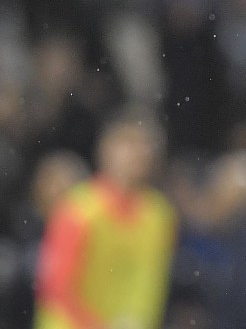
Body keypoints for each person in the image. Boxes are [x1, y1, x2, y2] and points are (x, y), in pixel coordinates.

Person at [33, 113, 177, 329]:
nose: (138, 153)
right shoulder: (78, 209)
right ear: (106, 149)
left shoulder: (161, 216)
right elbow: (55, 287)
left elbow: (152, 289)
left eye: (146, 145)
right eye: (128, 143)